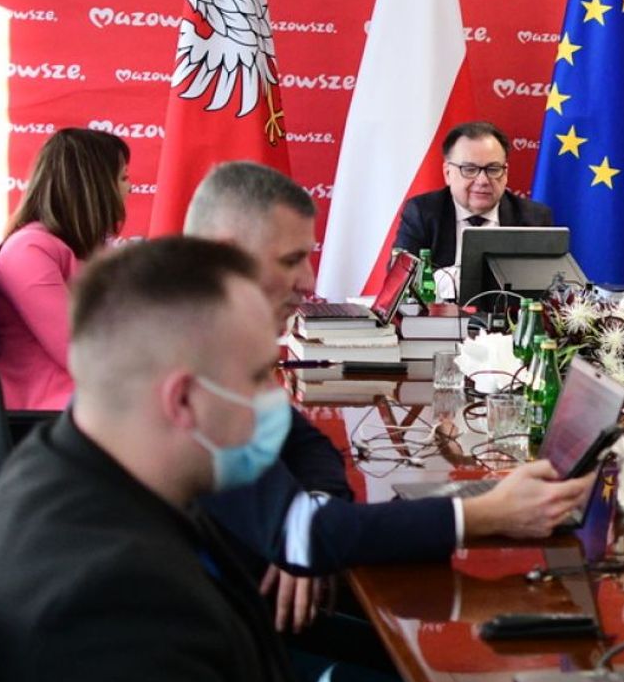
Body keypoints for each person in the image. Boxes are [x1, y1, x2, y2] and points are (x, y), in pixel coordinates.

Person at [0, 236, 624, 682]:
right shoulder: (105, 597)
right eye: (260, 377)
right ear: (182, 400)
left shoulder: (78, 470)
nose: (277, 400)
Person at [184, 161, 594, 633]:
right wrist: (486, 514)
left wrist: (306, 526)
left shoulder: (223, 345)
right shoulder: (190, 368)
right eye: (290, 260)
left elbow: (309, 447)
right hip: (239, 633)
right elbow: (303, 534)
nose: (309, 282)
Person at [0, 127, 129, 409]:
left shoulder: (94, 251)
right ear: (95, 186)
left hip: (99, 404)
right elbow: (80, 351)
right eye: (123, 178)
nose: (130, 188)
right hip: (49, 411)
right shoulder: (29, 249)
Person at [393, 120, 554, 268]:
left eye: (493, 169)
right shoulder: (422, 213)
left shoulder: (534, 219)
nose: (483, 180)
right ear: (448, 173)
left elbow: (546, 282)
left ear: (505, 173)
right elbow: (402, 279)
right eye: (469, 169)